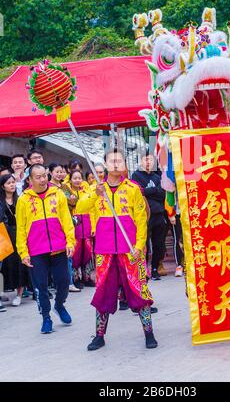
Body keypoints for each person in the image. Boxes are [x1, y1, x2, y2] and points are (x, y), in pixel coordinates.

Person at [76, 148, 158, 351]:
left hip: (130, 249)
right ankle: (99, 335)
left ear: (124, 164)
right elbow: (80, 208)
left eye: (119, 160)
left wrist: (139, 246)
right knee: (103, 292)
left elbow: (141, 220)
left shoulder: (132, 188)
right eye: (111, 161)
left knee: (139, 290)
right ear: (105, 165)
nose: (115, 164)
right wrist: (95, 195)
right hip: (105, 250)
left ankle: (149, 333)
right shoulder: (97, 188)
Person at [16, 164, 75, 334]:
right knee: (41, 286)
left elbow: (66, 220)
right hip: (36, 251)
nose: (43, 180)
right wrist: (23, 252)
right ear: (30, 179)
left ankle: (59, 305)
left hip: (58, 247)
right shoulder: (24, 199)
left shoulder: (57, 194)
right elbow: (21, 228)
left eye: (44, 176)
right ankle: (46, 318)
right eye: (38, 177)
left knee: (63, 282)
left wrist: (70, 242)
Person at [132, 151, 167, 280]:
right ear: (141, 162)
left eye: (150, 160)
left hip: (158, 214)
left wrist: (148, 191)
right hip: (144, 215)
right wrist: (154, 190)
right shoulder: (136, 176)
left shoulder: (157, 177)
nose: (148, 162)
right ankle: (144, 269)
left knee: (159, 244)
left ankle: (154, 268)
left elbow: (162, 194)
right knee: (144, 244)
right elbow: (139, 194)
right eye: (145, 160)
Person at [48, 163, 80, 293]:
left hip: (67, 221)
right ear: (50, 172)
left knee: (68, 252)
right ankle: (55, 283)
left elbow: (74, 201)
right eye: (57, 171)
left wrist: (71, 200)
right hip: (54, 223)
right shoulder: (48, 187)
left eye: (61, 172)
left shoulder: (64, 186)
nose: (60, 174)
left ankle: (68, 282)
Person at [0, 174, 29, 306]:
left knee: (19, 264)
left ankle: (19, 294)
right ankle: (3, 293)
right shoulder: (1, 201)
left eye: (13, 182)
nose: (11, 185)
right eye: (8, 183)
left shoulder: (20, 200)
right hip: (4, 236)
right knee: (6, 265)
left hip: (19, 234)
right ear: (2, 186)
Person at [69, 170, 95, 288]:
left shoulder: (87, 190)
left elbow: (92, 208)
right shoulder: (67, 192)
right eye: (75, 178)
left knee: (88, 251)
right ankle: (75, 278)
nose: (77, 180)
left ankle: (87, 277)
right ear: (70, 180)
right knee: (76, 252)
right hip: (75, 224)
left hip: (87, 222)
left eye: (79, 178)